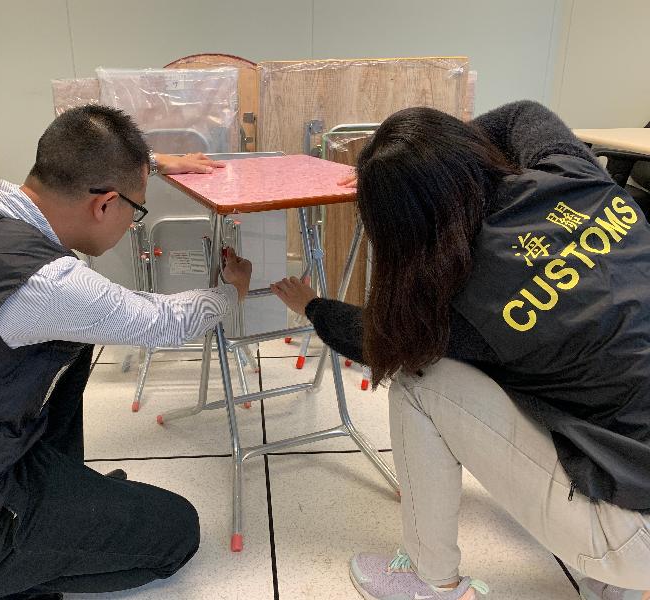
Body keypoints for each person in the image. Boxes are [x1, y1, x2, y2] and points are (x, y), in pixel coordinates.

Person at [0, 104, 252, 600]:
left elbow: (82, 167)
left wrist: (152, 165)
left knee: (70, 348)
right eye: (136, 209)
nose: (132, 224)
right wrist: (232, 292)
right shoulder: (44, 285)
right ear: (105, 203)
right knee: (177, 531)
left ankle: (35, 520)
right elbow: (161, 321)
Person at [272, 100, 650, 600]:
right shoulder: (575, 175)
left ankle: (432, 582)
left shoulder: (466, 302)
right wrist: (431, 161)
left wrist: (312, 305)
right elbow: (521, 114)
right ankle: (619, 583)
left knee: (421, 383)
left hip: (636, 534)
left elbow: (378, 342)